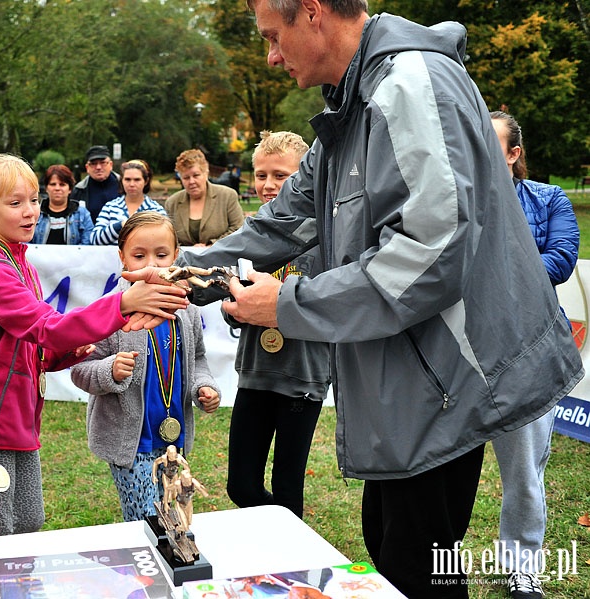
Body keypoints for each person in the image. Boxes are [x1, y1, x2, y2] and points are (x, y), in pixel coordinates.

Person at [124, 2, 583, 597]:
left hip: (454, 379)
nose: (269, 56)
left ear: (311, 12)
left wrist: (288, 304)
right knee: (393, 544)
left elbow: (433, 249)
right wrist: (180, 273)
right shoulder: (352, 104)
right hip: (414, 384)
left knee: (418, 565)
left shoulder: (409, 85)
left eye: (272, 36)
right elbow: (284, 222)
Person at [0, 153, 189, 535]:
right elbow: (47, 327)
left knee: (28, 520)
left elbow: (32, 342)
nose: (30, 211)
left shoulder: (23, 264)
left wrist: (63, 355)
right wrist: (123, 303)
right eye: (15, 203)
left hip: (21, 418)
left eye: (33, 201)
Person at [71, 212, 220, 522]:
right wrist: (109, 371)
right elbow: (80, 368)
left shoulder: (186, 309)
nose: (152, 264)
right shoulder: (111, 313)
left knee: (174, 513)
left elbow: (197, 359)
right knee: (145, 520)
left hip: (173, 439)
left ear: (177, 257)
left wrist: (204, 387)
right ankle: (143, 568)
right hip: (132, 444)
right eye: (139, 255)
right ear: (122, 257)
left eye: (161, 254)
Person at [490, 110, 580, 599]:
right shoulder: (453, 203)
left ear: (513, 153)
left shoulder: (549, 200)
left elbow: (561, 259)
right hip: (464, 355)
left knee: (525, 471)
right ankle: (432, 561)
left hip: (531, 354)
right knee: (442, 469)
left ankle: (522, 567)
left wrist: (496, 273)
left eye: (490, 142)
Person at [224, 131, 329, 518]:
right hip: (256, 372)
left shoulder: (327, 238)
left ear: (304, 176)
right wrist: (232, 307)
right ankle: (282, 530)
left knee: (288, 486)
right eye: (260, 174)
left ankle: (289, 557)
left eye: (281, 175)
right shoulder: (250, 238)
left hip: (303, 376)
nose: (268, 185)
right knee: (241, 485)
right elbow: (229, 297)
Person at [165, 149, 244, 247]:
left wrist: (211, 246)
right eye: (186, 178)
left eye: (196, 175)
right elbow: (169, 238)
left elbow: (238, 229)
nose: (191, 181)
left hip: (221, 257)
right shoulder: (172, 203)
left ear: (206, 173)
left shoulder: (227, 196)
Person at [90, 160, 168, 246]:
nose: (132, 184)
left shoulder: (156, 210)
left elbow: (166, 240)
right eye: (127, 179)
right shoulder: (110, 207)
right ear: (122, 181)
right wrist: (120, 226)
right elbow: (95, 240)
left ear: (146, 181)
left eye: (137, 180)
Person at [31, 164, 93, 245]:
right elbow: (25, 243)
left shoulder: (83, 214)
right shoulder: (34, 213)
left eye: (62, 184)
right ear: (46, 188)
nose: (57, 188)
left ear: (70, 189)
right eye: (53, 184)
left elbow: (87, 244)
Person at [69, 145, 121, 223]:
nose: (98, 167)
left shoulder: (124, 185)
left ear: (110, 165)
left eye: (103, 163)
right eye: (93, 164)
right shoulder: (79, 191)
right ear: (87, 168)